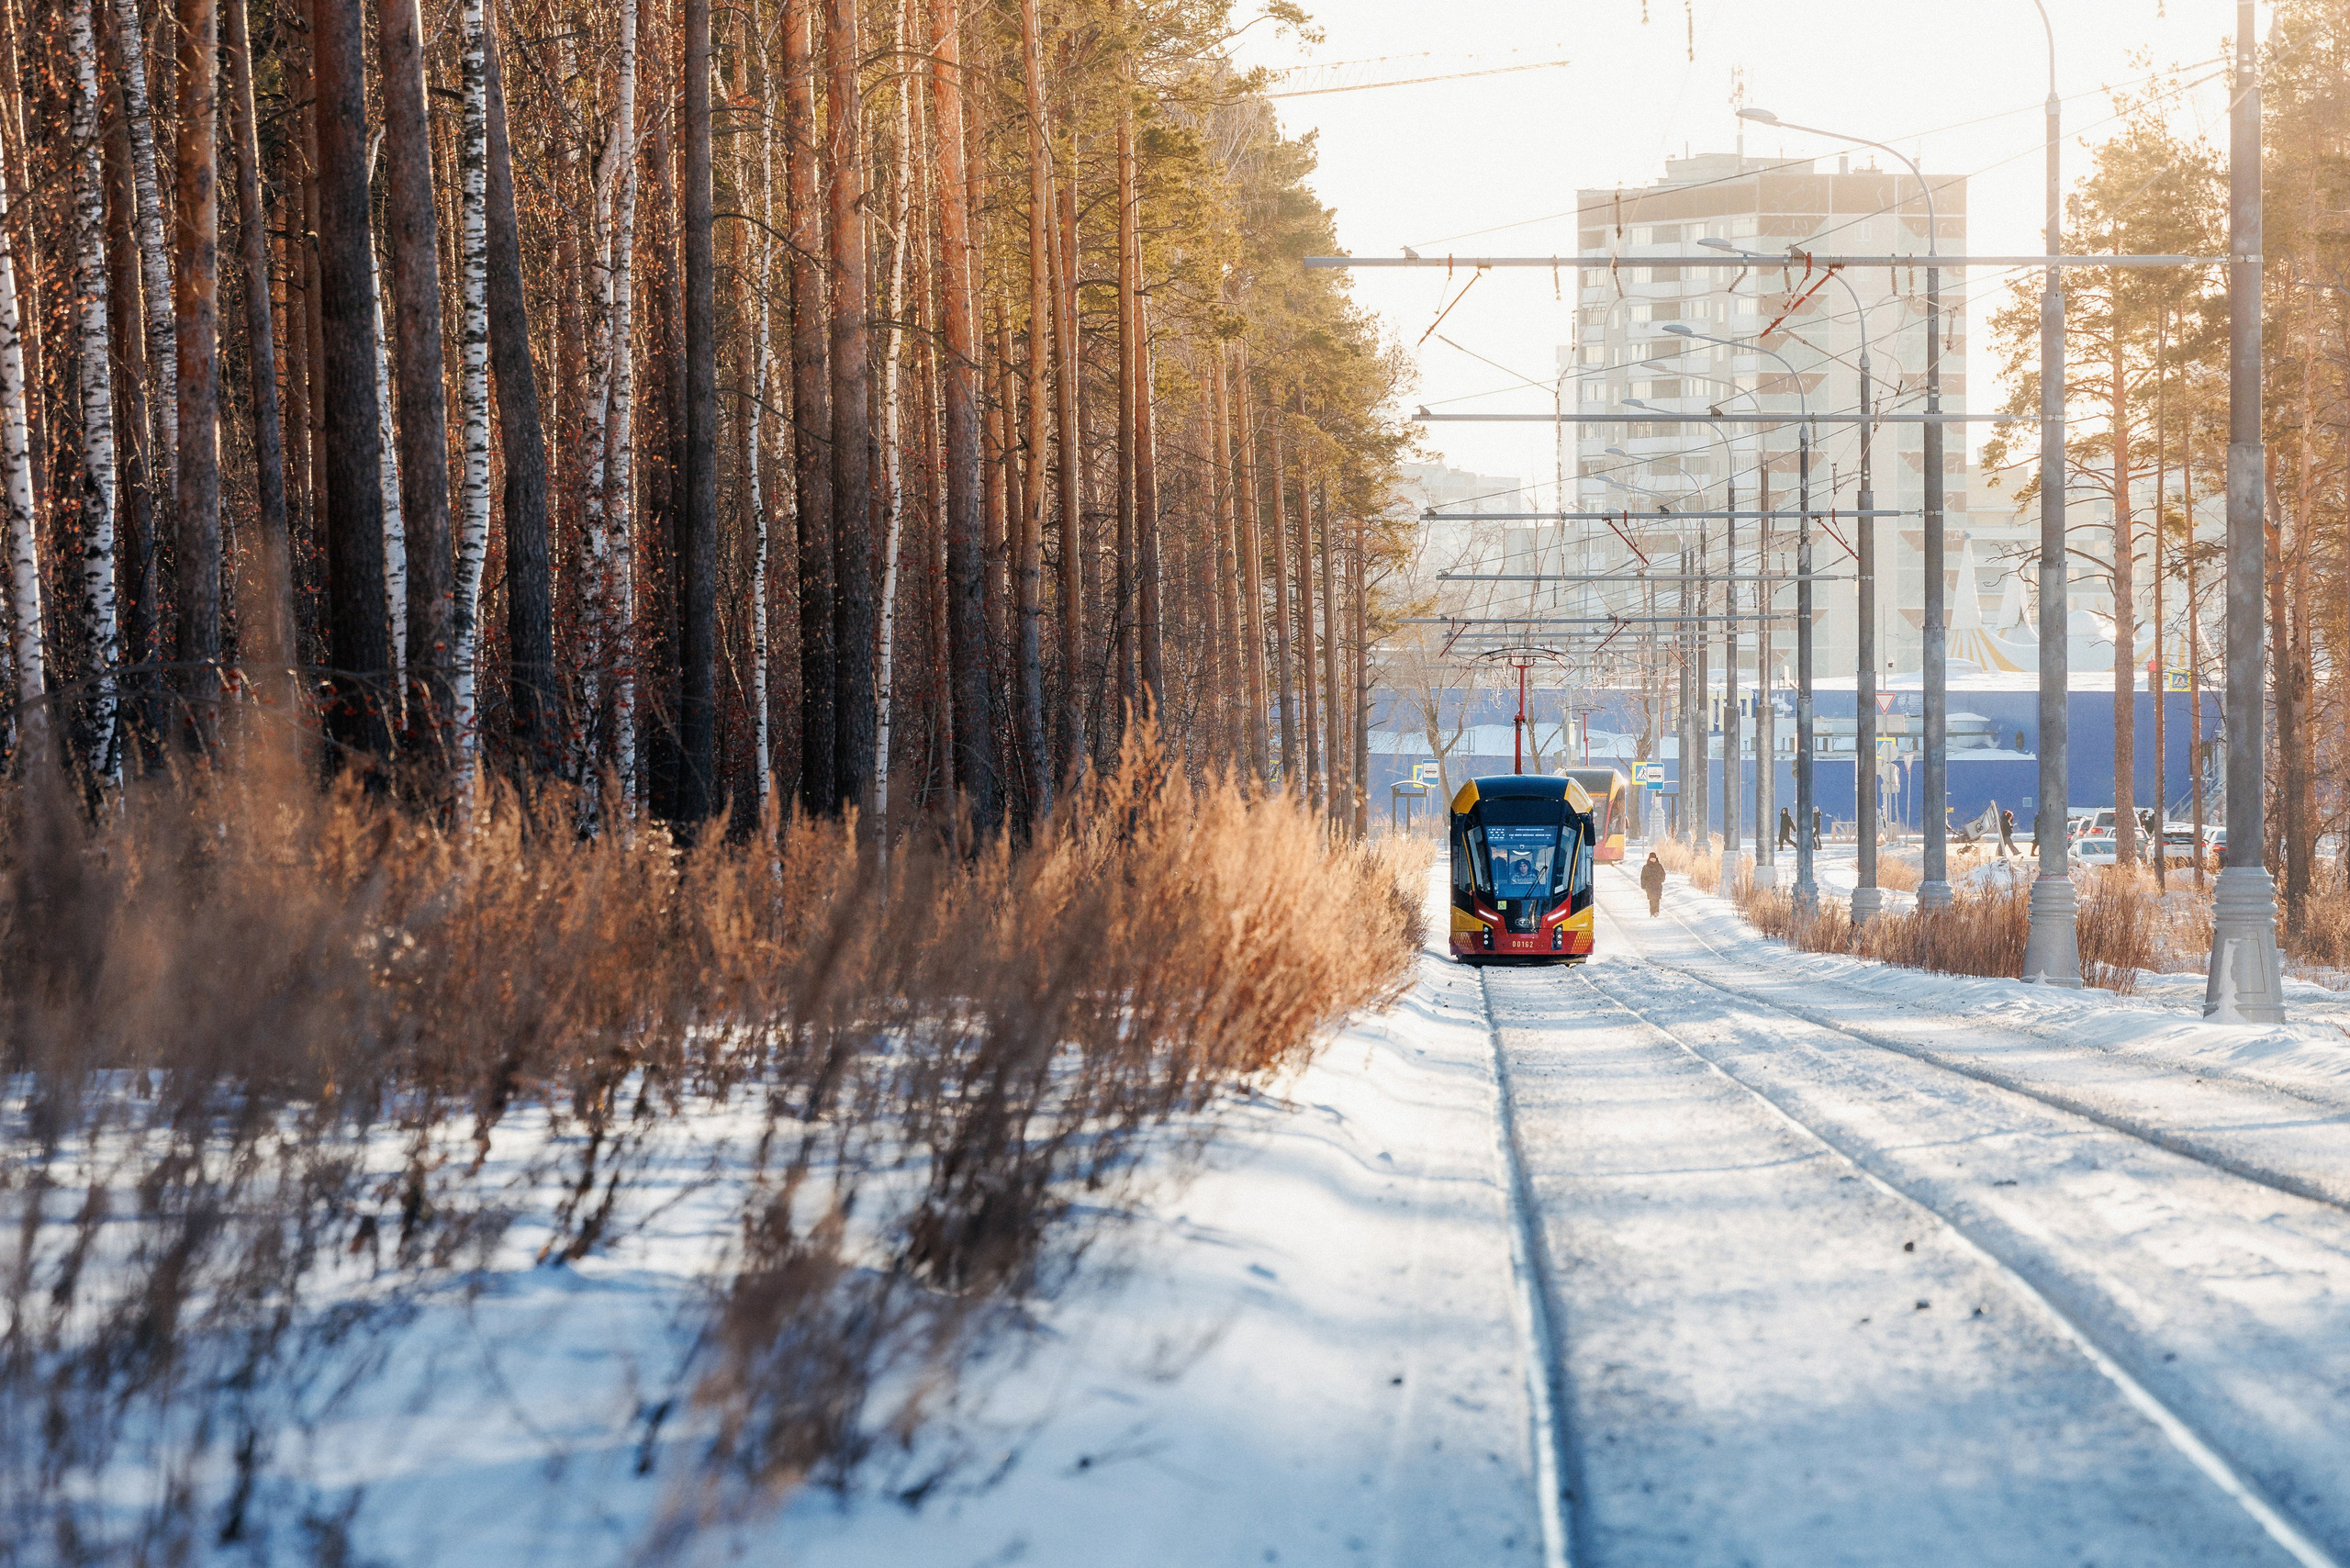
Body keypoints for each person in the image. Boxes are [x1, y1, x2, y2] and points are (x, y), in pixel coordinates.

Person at [1640, 850, 1666, 916]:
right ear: (1649, 859)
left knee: (1657, 898)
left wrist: (1661, 879)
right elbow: (1643, 876)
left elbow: (1663, 874)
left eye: (1654, 858)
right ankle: (1652, 912)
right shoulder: (1646, 867)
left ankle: (1656, 911)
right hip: (1649, 886)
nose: (1653, 860)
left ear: (1656, 858)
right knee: (1651, 899)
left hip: (1657, 885)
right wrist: (1643, 885)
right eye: (1651, 858)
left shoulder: (1659, 866)